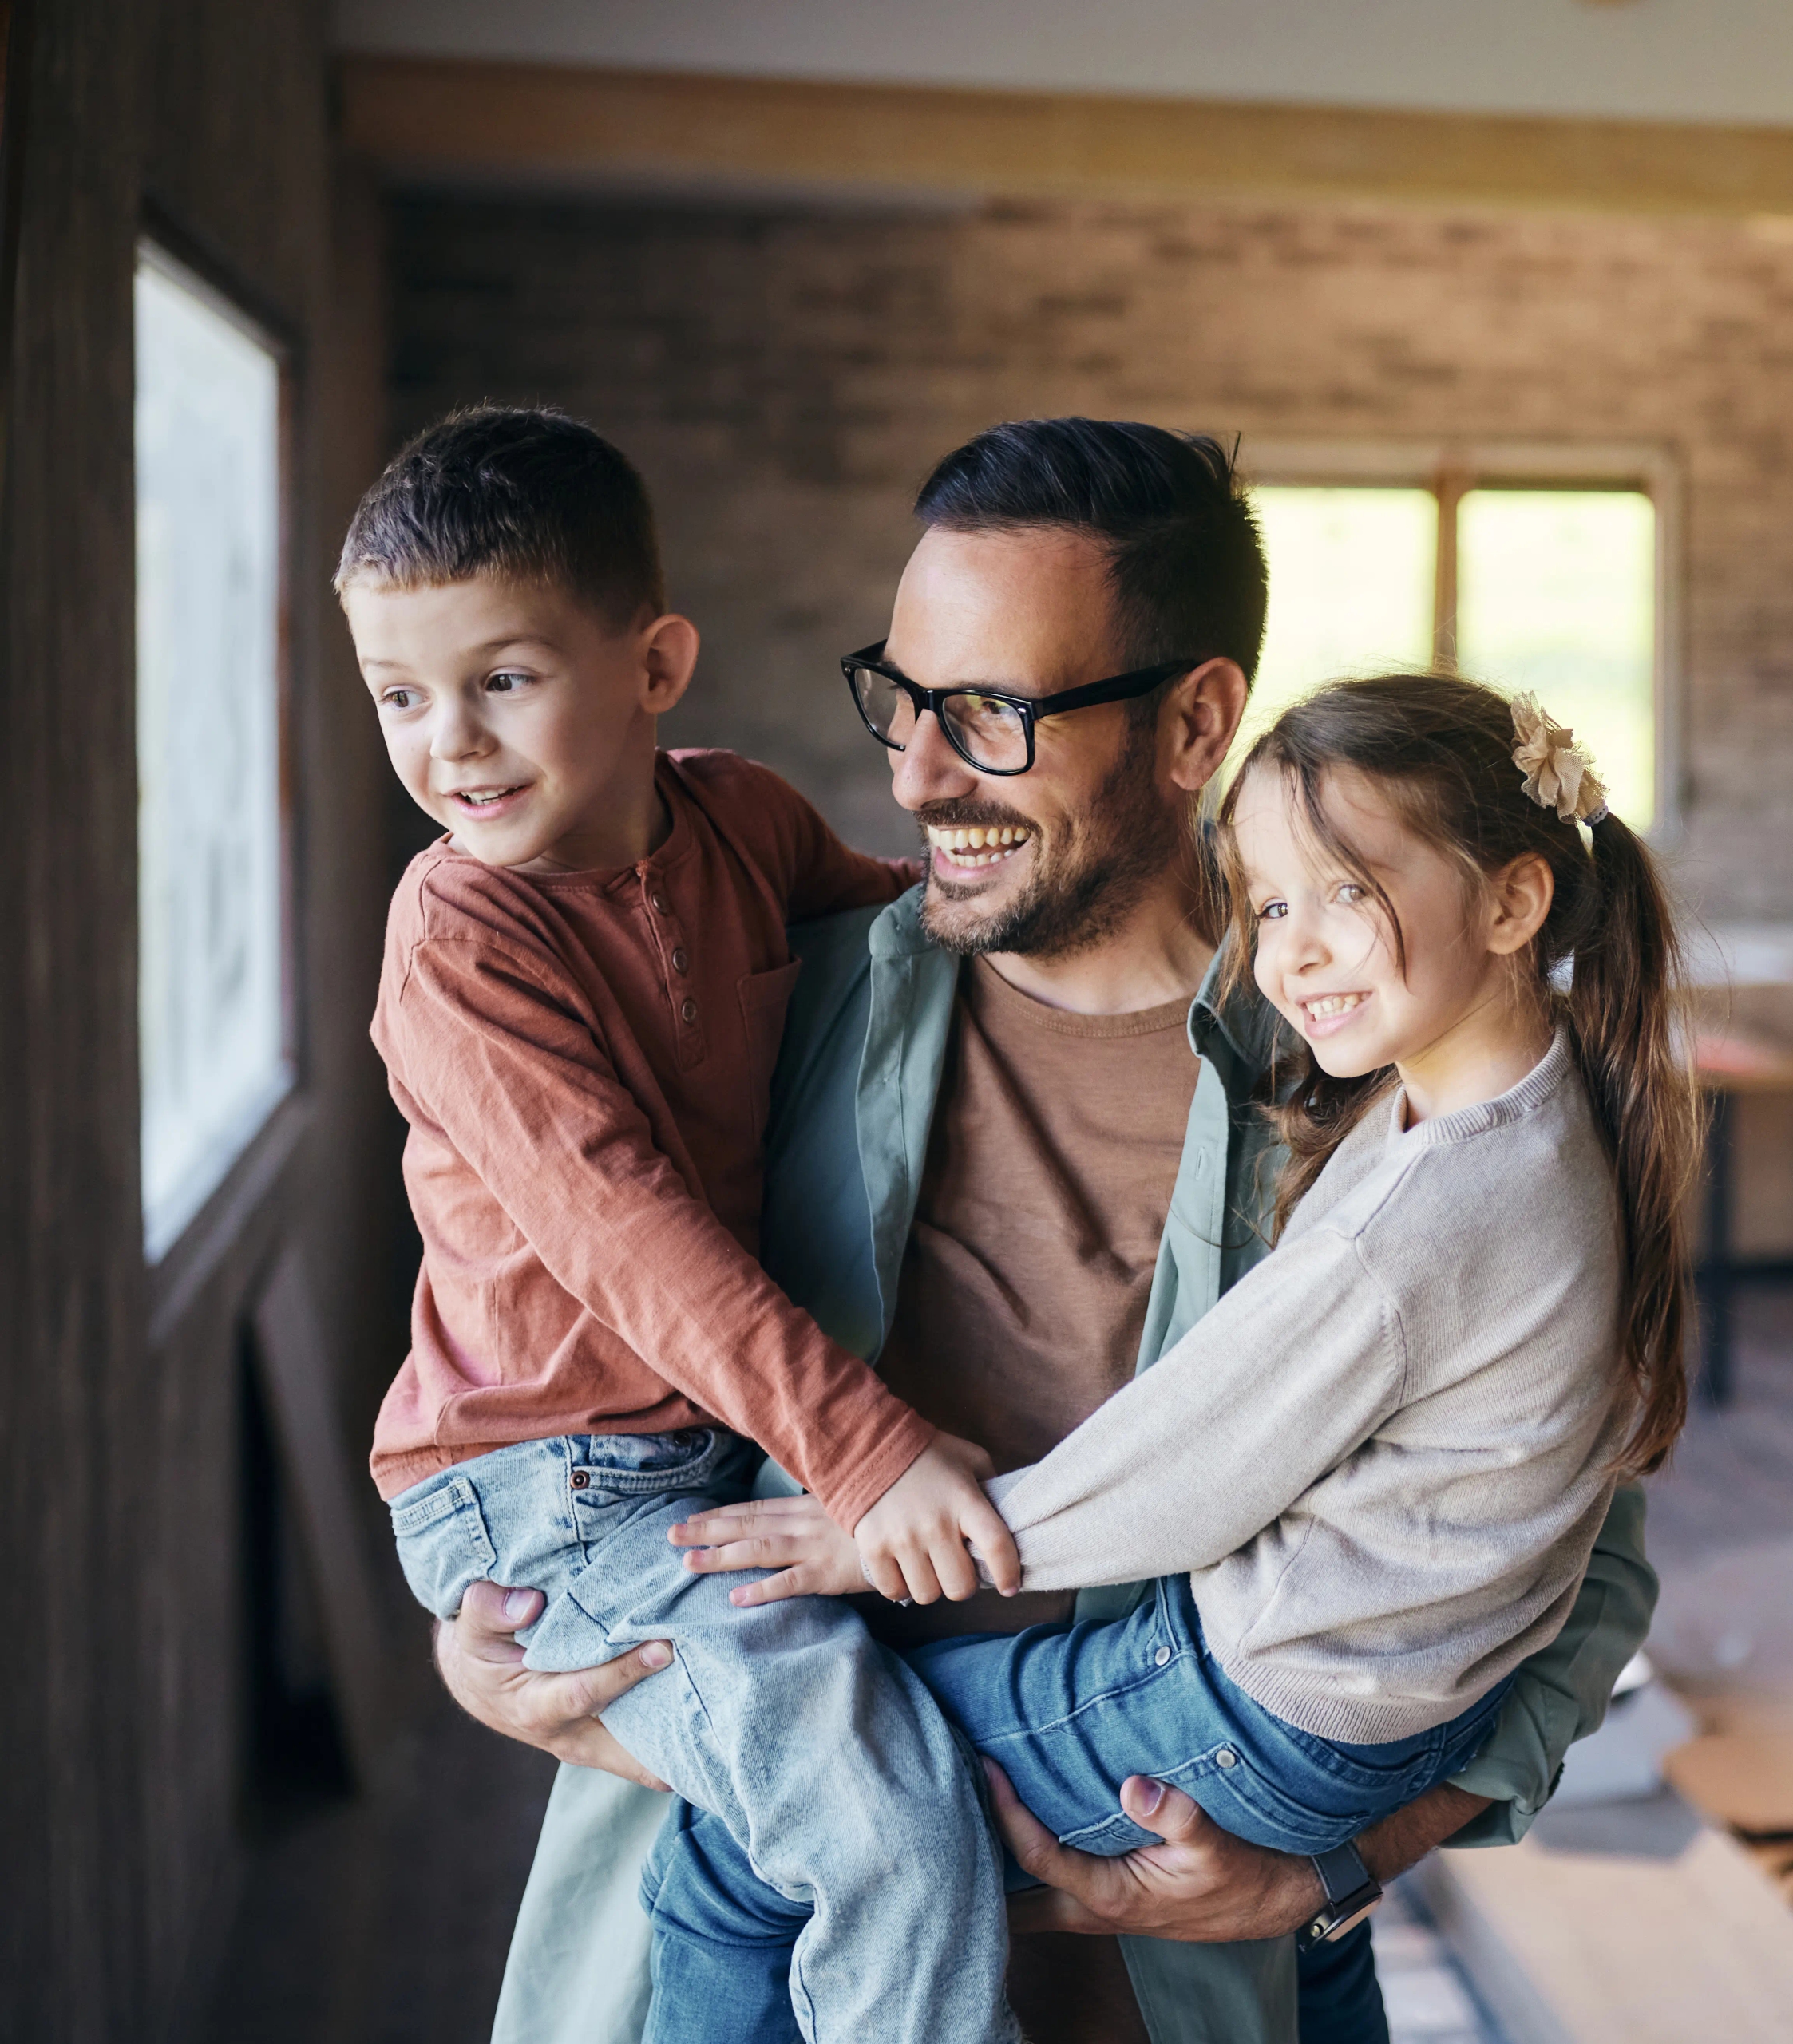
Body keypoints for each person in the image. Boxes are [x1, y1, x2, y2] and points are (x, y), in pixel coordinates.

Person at [436, 418, 1660, 2044]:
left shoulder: (1395, 1081)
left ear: (1195, 723)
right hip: (767, 1951)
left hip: (1199, 1980)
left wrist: (1343, 1867)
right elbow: (540, 1380)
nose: (916, 771)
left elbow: (1583, 1562)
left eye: (992, 716)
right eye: (907, 697)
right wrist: (488, 1653)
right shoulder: (778, 1004)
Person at [649, 670, 1700, 2037]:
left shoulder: (1421, 1217)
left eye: (1346, 890)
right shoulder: (1542, 1107)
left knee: (765, 1809)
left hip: (1260, 1700)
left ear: (1512, 902)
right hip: (1396, 1706)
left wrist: (887, 1541)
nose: (1294, 951)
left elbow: (1189, 1466)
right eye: (1269, 903)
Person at [345, 406, 1029, 2044]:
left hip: (696, 1457)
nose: (451, 743)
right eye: (399, 697)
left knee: (913, 1749)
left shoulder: (741, 821)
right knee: (891, 1825)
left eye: (502, 678)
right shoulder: (456, 934)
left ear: (655, 664)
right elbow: (625, 1235)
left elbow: (910, 936)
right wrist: (867, 1448)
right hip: (539, 1489)